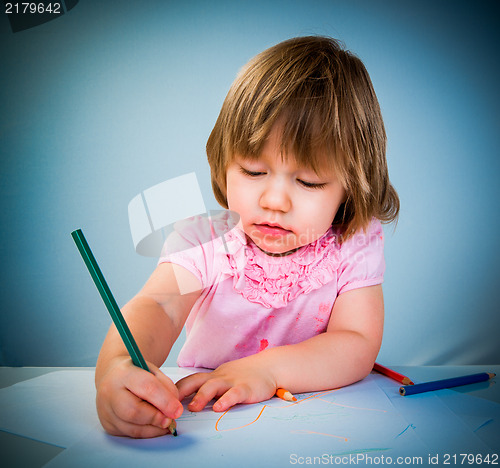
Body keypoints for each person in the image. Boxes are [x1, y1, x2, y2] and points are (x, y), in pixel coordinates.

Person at [95, 35, 400, 438]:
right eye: (253, 172)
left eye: (308, 181)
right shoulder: (205, 239)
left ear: (351, 188)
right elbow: (160, 307)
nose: (274, 200)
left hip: (311, 427)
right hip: (210, 420)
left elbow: (356, 341)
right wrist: (117, 366)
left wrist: (267, 370)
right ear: (223, 163)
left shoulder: (352, 244)